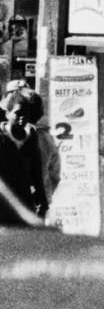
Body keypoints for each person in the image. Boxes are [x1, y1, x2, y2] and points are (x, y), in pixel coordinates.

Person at [0, 89, 45, 224]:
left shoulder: (31, 137)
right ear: (7, 114)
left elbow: (36, 171)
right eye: (18, 113)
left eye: (26, 114)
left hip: (24, 200)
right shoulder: (1, 136)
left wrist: (41, 200)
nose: (22, 118)